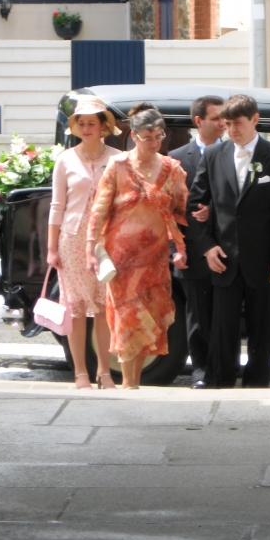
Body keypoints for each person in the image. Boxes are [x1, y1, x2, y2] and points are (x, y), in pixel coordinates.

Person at [187, 94, 270, 388]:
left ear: (255, 119)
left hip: (265, 260)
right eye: (227, 124)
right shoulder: (213, 155)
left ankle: (256, 385)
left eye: (238, 123)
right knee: (222, 329)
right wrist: (207, 247)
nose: (232, 130)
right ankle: (221, 383)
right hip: (224, 259)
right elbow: (194, 205)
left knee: (262, 330)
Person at [86, 102, 188, 389]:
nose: (155, 142)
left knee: (148, 320)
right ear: (134, 136)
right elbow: (99, 210)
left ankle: (136, 382)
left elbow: (182, 208)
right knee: (127, 318)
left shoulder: (172, 169)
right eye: (149, 137)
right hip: (122, 259)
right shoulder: (118, 166)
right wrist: (91, 248)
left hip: (155, 258)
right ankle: (128, 384)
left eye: (159, 136)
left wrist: (191, 227)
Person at [48, 97, 122, 390]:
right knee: (76, 307)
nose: (87, 128)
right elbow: (57, 206)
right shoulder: (65, 160)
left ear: (104, 126)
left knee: (105, 305)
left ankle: (105, 372)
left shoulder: (118, 158)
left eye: (92, 123)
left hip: (107, 238)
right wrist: (52, 248)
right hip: (73, 238)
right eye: (82, 123)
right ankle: (80, 372)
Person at [169, 95, 225, 388]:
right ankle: (201, 370)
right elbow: (168, 208)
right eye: (216, 118)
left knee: (225, 315)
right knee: (197, 316)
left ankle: (224, 368)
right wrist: (174, 250)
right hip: (190, 250)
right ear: (198, 121)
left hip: (227, 248)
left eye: (224, 118)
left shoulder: (235, 152)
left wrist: (212, 211)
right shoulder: (177, 157)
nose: (222, 124)